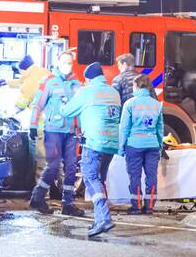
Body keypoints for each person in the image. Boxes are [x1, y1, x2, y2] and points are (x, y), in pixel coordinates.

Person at [61, 62, 122, 237]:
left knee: (90, 177)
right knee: (99, 180)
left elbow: (67, 111)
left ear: (88, 78)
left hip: (94, 142)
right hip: (111, 143)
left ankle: (104, 218)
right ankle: (98, 220)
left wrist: (66, 101)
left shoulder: (87, 91)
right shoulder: (113, 92)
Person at [28, 51, 84, 217]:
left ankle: (68, 203)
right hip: (53, 130)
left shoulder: (76, 83)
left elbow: (80, 108)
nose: (67, 65)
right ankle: (37, 197)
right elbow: (38, 104)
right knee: (53, 166)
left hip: (71, 132)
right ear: (58, 63)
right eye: (64, 62)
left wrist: (81, 129)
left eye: (70, 62)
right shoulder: (49, 82)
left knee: (72, 167)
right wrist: (32, 124)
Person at [119, 73, 164, 214]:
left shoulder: (130, 104)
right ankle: (149, 206)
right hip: (152, 145)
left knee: (135, 176)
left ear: (136, 86)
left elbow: (124, 128)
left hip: (134, 146)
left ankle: (136, 206)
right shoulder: (157, 105)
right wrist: (160, 146)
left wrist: (121, 147)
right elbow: (160, 128)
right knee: (151, 176)